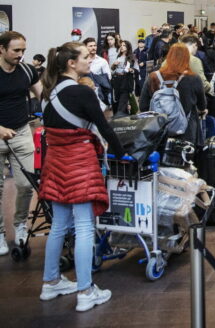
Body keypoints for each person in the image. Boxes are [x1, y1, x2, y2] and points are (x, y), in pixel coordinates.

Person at [38, 41, 125, 312]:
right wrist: (122, 154)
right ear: (71, 64)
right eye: (86, 57)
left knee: (59, 226)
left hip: (55, 165)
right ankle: (86, 290)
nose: (91, 60)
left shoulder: (48, 93)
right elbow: (105, 129)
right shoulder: (82, 93)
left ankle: (50, 282)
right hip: (80, 164)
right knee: (85, 226)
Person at [0, 31, 42, 255]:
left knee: (27, 184)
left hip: (22, 132)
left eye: (23, 50)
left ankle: (20, 225)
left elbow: (42, 94)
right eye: (16, 50)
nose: (20, 54)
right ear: (2, 49)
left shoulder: (27, 70)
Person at [139, 43, 207, 145]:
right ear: (187, 59)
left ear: (169, 57)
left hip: (159, 131)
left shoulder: (153, 77)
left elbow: (143, 106)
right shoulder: (194, 78)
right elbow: (202, 105)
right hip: (187, 132)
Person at [109, 40, 137, 116]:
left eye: (124, 45)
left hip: (126, 83)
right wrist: (114, 65)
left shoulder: (132, 57)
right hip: (116, 82)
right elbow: (112, 69)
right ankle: (124, 117)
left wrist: (131, 70)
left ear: (128, 47)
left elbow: (136, 70)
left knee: (122, 103)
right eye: (121, 45)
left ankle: (119, 117)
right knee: (118, 102)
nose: (121, 46)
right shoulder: (118, 56)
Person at [83, 38, 112, 108]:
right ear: (85, 47)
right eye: (90, 46)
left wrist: (97, 79)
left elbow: (108, 77)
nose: (93, 48)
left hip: (98, 94)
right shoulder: (81, 61)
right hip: (83, 92)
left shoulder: (102, 61)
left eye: (94, 45)